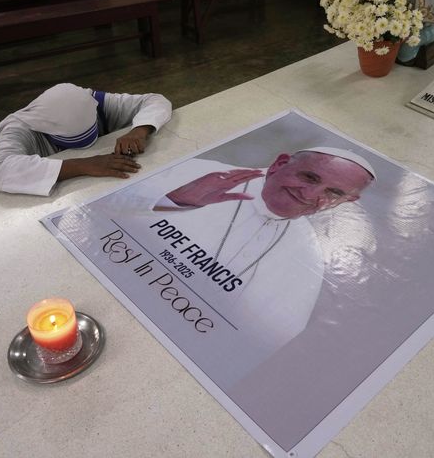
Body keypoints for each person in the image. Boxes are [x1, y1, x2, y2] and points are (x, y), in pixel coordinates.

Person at [148, 148, 376, 374]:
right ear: (280, 163)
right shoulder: (198, 172)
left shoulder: (308, 255)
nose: (308, 195)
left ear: (347, 201)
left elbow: (266, 342)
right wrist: (174, 201)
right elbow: (117, 210)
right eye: (309, 177)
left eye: (334, 193)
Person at [0, 83, 172, 196]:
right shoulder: (23, 126)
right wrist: (83, 165)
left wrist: (139, 130)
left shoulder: (93, 100)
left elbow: (156, 100)